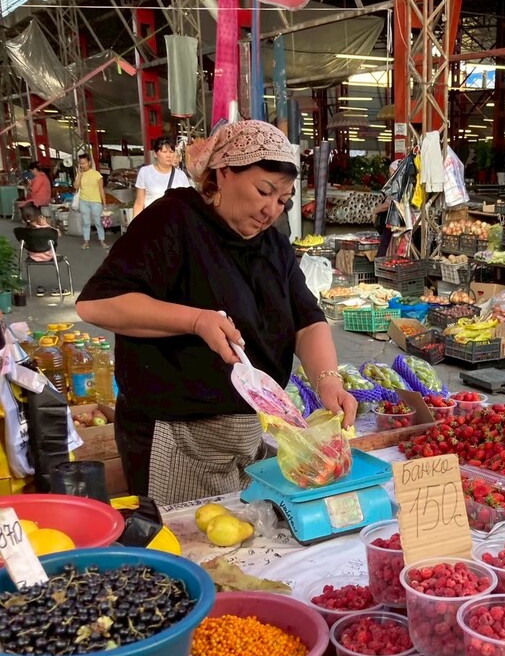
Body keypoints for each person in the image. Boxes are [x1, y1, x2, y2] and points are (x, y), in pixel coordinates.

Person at [75, 120, 357, 505]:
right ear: (223, 173)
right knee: (186, 537)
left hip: (246, 437)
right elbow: (96, 303)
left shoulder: (273, 245)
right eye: (264, 191)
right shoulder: (172, 220)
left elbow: (307, 320)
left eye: (283, 200)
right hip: (176, 440)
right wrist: (195, 320)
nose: (271, 209)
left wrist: (328, 381)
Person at [132, 136, 191, 217]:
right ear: (155, 154)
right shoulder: (145, 172)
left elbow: (187, 203)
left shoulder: (181, 175)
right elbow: (139, 203)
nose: (168, 155)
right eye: (164, 152)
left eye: (171, 152)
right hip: (152, 220)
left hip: (174, 221)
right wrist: (136, 223)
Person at [74, 153, 107, 250]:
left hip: (96, 201)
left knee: (97, 222)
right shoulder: (80, 174)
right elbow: (75, 186)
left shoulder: (97, 174)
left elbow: (101, 189)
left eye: (84, 163)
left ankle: (102, 241)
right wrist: (79, 175)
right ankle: (86, 242)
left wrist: (104, 203)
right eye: (81, 163)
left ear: (89, 162)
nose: (83, 165)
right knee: (86, 222)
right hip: (83, 201)